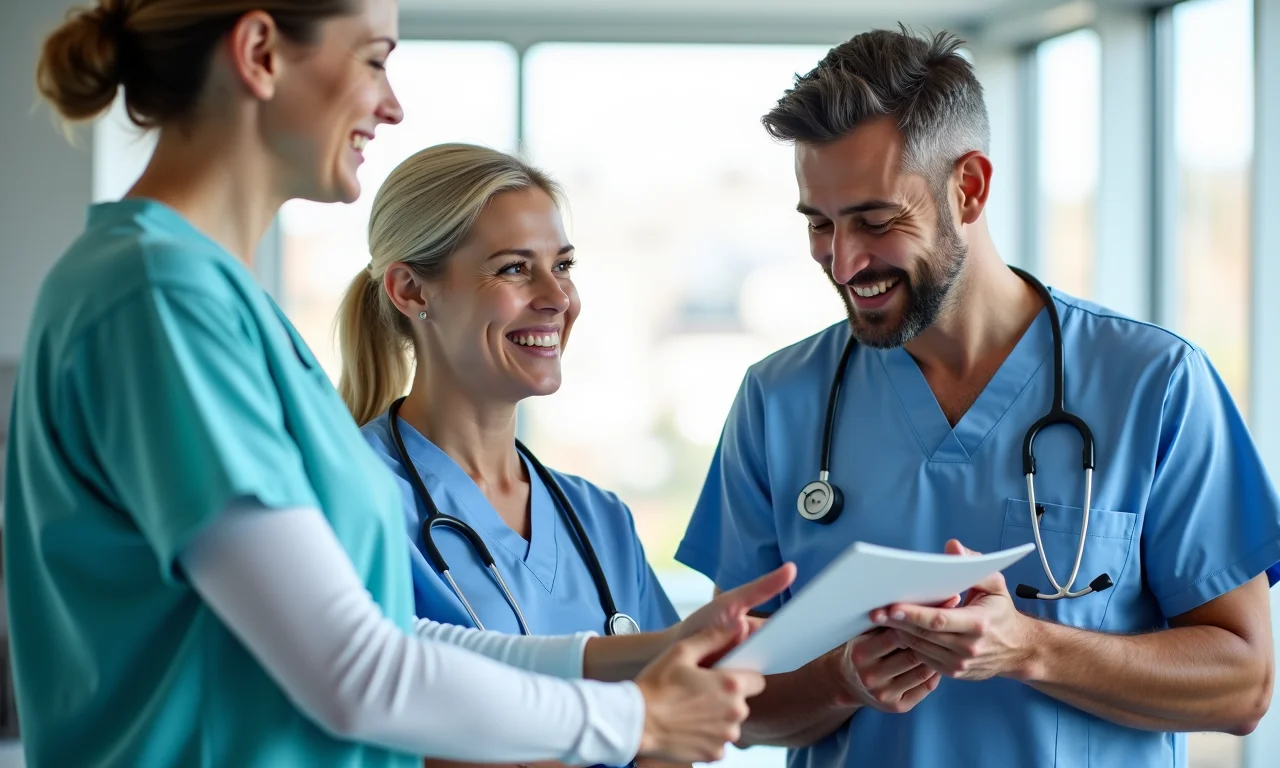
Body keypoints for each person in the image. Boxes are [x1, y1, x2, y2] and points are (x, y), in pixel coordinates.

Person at [2, 3, 769, 767]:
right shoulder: (159, 300)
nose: (392, 103)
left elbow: (387, 636)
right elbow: (354, 670)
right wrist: (630, 721)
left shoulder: (228, 311)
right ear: (261, 52)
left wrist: (626, 656)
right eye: (373, 59)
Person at [673, 25, 1280, 768]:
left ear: (970, 187)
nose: (843, 260)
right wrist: (839, 682)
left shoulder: (1154, 383)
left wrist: (1031, 647)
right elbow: (727, 701)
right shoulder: (780, 400)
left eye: (874, 220)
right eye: (820, 225)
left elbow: (1244, 683)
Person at [338, 142, 795, 768]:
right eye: (514, 269)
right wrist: (634, 727)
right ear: (412, 290)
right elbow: (374, 725)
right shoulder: (350, 498)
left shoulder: (598, 520)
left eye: (565, 265)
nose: (557, 296)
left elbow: (677, 736)